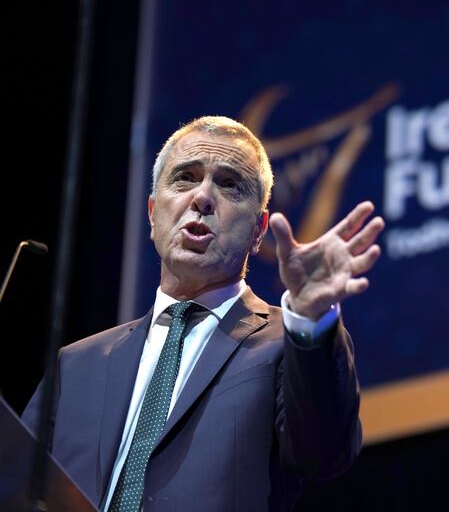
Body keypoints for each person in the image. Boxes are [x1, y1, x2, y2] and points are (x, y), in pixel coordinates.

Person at [22, 116, 383, 511]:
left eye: (229, 184)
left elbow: (323, 454)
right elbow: (16, 485)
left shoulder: (287, 343)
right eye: (185, 178)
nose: (203, 198)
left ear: (258, 230)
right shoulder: (76, 366)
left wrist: (311, 315)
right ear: (153, 212)